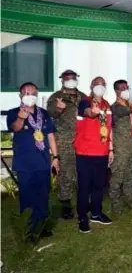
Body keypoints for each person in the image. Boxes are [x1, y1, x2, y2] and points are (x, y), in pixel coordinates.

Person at [7, 82, 60, 242]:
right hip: (25, 163)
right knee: (28, 197)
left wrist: (56, 158)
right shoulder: (13, 113)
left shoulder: (43, 114)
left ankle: (42, 227)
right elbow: (15, 128)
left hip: (43, 162)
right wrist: (21, 119)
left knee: (43, 196)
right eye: (26, 92)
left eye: (33, 92)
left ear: (36, 95)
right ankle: (29, 230)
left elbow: (50, 136)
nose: (30, 95)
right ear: (20, 95)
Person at [74, 76, 114, 233]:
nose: (100, 87)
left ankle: (96, 213)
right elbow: (88, 113)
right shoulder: (85, 101)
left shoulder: (107, 105)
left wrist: (111, 149)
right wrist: (92, 111)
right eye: (97, 84)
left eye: (103, 84)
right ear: (91, 86)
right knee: (84, 186)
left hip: (102, 152)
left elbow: (110, 129)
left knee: (99, 185)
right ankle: (82, 217)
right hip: (85, 152)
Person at [47, 69, 87, 220]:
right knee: (66, 173)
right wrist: (59, 108)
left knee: (81, 171)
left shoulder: (83, 96)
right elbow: (50, 114)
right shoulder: (56, 97)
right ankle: (65, 204)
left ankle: (83, 201)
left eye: (73, 78)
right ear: (62, 80)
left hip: (83, 140)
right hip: (64, 141)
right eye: (67, 78)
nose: (71, 80)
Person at [109, 80, 132, 214]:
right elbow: (122, 111)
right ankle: (115, 203)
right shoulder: (115, 107)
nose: (126, 90)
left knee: (130, 175)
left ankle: (128, 198)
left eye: (127, 88)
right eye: (122, 88)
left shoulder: (130, 107)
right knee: (117, 176)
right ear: (116, 91)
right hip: (120, 148)